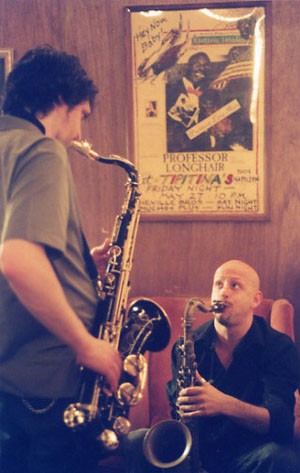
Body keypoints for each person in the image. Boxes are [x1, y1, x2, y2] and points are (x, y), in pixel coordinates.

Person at [0, 45, 122, 473]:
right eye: (82, 116)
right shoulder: (41, 150)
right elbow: (16, 258)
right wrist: (85, 343)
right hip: (52, 387)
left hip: (10, 385)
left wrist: (77, 262)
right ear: (58, 102)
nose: (78, 134)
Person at [125, 260, 300, 473]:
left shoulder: (278, 347)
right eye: (218, 284)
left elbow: (280, 423)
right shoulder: (187, 345)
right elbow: (178, 412)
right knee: (136, 441)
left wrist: (223, 403)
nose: (223, 292)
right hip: (197, 451)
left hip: (250, 454)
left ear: (255, 299)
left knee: (281, 459)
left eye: (234, 285)